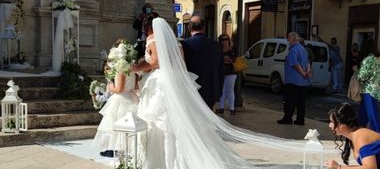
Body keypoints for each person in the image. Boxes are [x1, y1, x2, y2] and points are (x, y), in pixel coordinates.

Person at [137, 17, 328, 168]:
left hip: (178, 86)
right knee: (190, 126)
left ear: (189, 28)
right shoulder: (210, 45)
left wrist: (136, 68)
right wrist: (219, 89)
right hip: (198, 87)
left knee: (170, 125)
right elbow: (214, 68)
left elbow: (159, 62)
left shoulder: (181, 43)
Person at [325, 102, 380, 169]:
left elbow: (370, 168)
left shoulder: (361, 138)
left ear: (342, 126)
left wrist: (339, 167)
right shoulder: (354, 137)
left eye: (332, 122)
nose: (329, 125)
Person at [94, 41, 139, 158]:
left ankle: (117, 149)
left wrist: (110, 87)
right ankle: (126, 149)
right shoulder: (132, 68)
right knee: (127, 125)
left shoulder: (121, 68)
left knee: (115, 125)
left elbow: (119, 89)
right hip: (131, 97)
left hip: (121, 99)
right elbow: (135, 86)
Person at [181, 15, 223, 109]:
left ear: (189, 28)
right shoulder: (216, 45)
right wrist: (218, 91)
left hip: (192, 90)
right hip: (211, 91)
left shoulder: (184, 44)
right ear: (204, 27)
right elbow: (221, 71)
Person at [278, 32, 310, 125]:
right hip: (303, 82)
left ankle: (287, 118)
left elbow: (295, 64)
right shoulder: (304, 49)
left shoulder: (293, 50)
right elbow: (308, 62)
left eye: (288, 37)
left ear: (292, 39)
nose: (287, 39)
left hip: (293, 81)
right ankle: (300, 120)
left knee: (289, 101)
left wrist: (303, 73)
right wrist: (307, 72)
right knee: (301, 103)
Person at [358, 38, 380, 133]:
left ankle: (378, 135)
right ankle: (360, 131)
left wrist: (356, 71)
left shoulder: (368, 60)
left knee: (372, 115)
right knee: (363, 114)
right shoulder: (379, 60)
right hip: (377, 89)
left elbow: (362, 76)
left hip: (368, 90)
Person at [216, 33, 237, 115]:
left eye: (226, 39)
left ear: (229, 40)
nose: (224, 41)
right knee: (222, 90)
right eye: (222, 39)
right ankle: (221, 107)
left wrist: (228, 60)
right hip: (221, 72)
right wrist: (224, 60)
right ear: (220, 41)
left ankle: (232, 108)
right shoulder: (218, 49)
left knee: (230, 89)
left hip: (231, 72)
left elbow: (234, 59)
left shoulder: (233, 49)